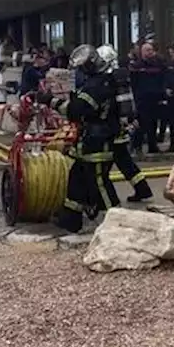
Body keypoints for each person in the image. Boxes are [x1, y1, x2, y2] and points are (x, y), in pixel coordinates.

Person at [36, 45, 121, 233]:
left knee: (99, 182)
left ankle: (116, 220)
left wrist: (51, 101)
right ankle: (71, 219)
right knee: (76, 179)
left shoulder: (98, 85)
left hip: (98, 143)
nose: (81, 71)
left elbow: (76, 110)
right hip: (88, 141)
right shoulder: (97, 82)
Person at [106, 45, 153, 203]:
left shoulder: (115, 77)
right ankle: (142, 189)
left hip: (114, 126)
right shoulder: (118, 76)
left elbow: (123, 102)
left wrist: (127, 121)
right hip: (117, 125)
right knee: (124, 161)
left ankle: (110, 200)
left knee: (104, 165)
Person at [130, 40, 166, 154]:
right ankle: (137, 146)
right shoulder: (137, 66)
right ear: (142, 52)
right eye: (147, 50)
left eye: (151, 50)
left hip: (155, 99)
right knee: (141, 124)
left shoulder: (158, 65)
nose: (150, 52)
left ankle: (153, 146)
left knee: (153, 124)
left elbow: (162, 80)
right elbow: (133, 83)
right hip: (142, 99)